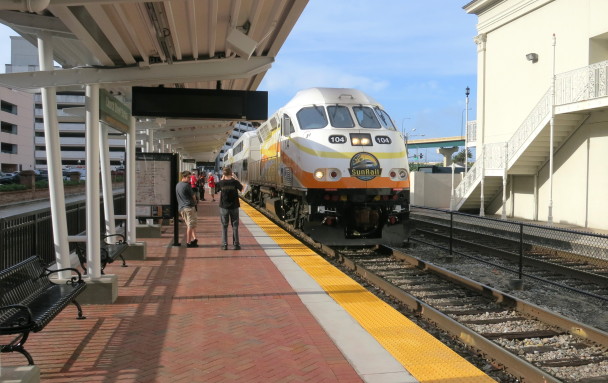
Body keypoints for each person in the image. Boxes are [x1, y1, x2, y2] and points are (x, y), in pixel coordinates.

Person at [215, 167, 243, 250]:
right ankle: (236, 244)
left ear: (223, 174)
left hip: (224, 207)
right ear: (231, 173)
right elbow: (243, 189)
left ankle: (224, 245)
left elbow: (216, 190)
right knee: (235, 226)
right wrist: (236, 178)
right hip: (234, 207)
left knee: (224, 226)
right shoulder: (235, 182)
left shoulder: (221, 183)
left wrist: (222, 179)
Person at [176, 170, 198, 248]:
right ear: (184, 177)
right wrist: (195, 202)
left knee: (192, 224)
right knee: (190, 225)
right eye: (188, 178)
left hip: (182, 208)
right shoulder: (187, 185)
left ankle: (195, 239)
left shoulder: (178, 185)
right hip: (189, 207)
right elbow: (193, 197)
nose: (190, 179)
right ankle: (188, 242)